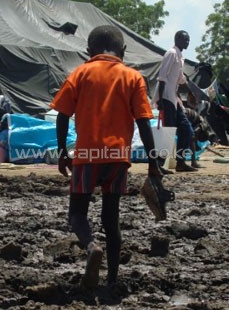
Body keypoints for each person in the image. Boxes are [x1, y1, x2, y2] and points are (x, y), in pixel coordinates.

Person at [51, 25, 162, 288]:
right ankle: (112, 281)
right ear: (123, 50)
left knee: (77, 215)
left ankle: (91, 247)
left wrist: (62, 153)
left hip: (87, 155)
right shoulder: (133, 77)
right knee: (111, 221)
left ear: (88, 51)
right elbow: (144, 123)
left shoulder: (79, 73)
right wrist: (154, 162)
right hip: (117, 158)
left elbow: (62, 115)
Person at [152, 30, 199, 172]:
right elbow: (162, 77)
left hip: (174, 99)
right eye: (185, 40)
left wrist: (190, 92)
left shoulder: (180, 57)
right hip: (166, 98)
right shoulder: (171, 54)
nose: (187, 43)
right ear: (177, 39)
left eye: (188, 40)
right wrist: (160, 100)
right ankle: (158, 165)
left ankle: (180, 162)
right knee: (168, 132)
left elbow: (180, 79)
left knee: (187, 129)